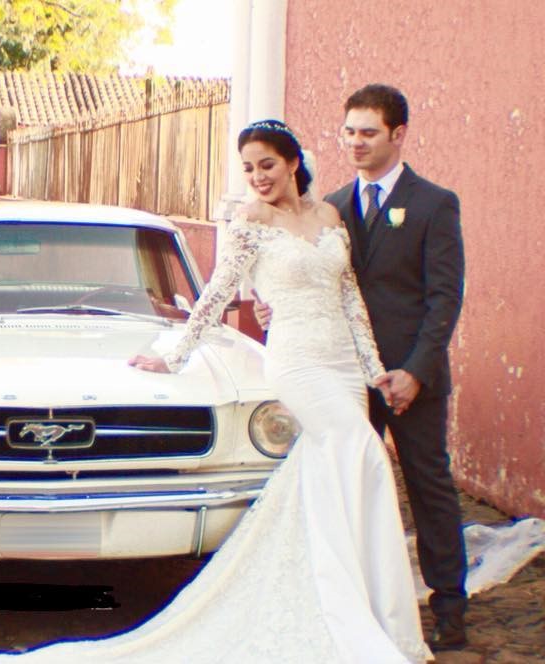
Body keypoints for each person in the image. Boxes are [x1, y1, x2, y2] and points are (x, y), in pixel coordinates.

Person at [0, 120, 433, 663]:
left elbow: (350, 298)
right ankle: (345, 609)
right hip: (298, 361)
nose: (258, 177)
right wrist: (175, 354)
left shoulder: (329, 217)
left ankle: (360, 604)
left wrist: (374, 369)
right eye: (248, 168)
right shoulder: (251, 222)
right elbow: (215, 292)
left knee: (338, 473)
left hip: (344, 369)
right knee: (366, 452)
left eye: (267, 164)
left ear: (292, 163)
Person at [256, 84, 468, 651]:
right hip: (341, 376)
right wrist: (272, 304)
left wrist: (415, 371)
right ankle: (355, 604)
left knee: (428, 485)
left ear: (399, 134)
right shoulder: (330, 205)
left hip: (410, 374)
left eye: (368, 133)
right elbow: (306, 277)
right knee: (346, 485)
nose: (355, 142)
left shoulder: (435, 203)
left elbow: (445, 297)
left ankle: (449, 605)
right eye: (348, 131)